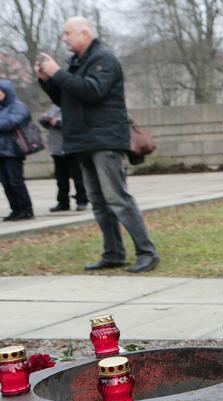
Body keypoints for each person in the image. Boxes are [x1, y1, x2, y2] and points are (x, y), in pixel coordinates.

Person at [35, 16, 160, 273]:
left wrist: (58, 72)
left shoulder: (104, 58)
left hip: (105, 139)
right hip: (83, 140)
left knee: (117, 198)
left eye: (68, 33)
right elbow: (67, 98)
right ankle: (113, 253)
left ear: (85, 33)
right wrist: (48, 80)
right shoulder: (78, 62)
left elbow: (92, 91)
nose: (64, 38)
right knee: (99, 201)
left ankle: (147, 252)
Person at [39, 105, 88, 212]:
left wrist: (57, 122)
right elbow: (46, 122)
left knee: (77, 177)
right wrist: (44, 119)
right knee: (61, 178)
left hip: (72, 147)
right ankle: (63, 202)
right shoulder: (54, 107)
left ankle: (82, 200)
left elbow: (76, 124)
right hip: (57, 148)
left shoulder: (74, 106)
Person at [0, 80, 35, 222]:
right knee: (6, 183)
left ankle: (26, 209)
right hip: (1, 151)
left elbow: (11, 123)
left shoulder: (18, 106)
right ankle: (16, 209)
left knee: (15, 181)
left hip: (13, 151)